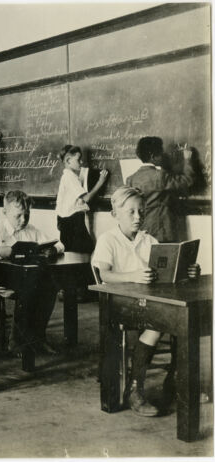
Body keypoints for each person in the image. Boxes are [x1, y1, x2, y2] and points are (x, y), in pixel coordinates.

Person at [91, 186, 200, 416]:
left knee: (181, 318)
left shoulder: (149, 239)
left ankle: (176, 381)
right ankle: (134, 389)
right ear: (115, 214)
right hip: (120, 302)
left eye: (141, 211)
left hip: (147, 300)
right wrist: (133, 276)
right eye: (131, 212)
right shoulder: (107, 239)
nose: (138, 217)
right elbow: (105, 275)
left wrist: (185, 271)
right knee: (158, 326)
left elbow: (163, 275)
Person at [0, 190, 64, 355]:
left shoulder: (31, 230)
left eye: (27, 215)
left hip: (28, 278)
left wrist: (53, 249)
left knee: (50, 288)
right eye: (18, 216)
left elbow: (60, 243)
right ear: (5, 213)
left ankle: (38, 337)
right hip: (1, 281)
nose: (23, 220)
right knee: (29, 289)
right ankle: (17, 341)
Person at [126, 136, 195, 242]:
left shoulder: (130, 179)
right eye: (161, 154)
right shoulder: (160, 176)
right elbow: (187, 181)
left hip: (139, 231)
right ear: (153, 156)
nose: (163, 156)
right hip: (161, 231)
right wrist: (187, 160)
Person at [56, 145, 108, 253]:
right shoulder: (69, 177)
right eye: (78, 159)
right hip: (71, 222)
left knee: (79, 253)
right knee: (83, 252)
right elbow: (86, 198)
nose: (81, 162)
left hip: (70, 221)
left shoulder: (71, 176)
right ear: (68, 160)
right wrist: (100, 182)